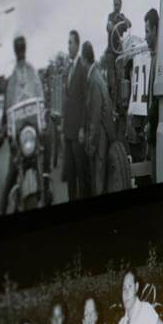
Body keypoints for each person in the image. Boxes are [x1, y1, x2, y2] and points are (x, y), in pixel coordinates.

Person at [0, 33, 47, 214]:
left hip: (33, 130)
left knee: (46, 150)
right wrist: (6, 126)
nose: (21, 51)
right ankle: (2, 210)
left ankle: (48, 186)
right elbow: (8, 103)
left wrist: (44, 113)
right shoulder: (12, 78)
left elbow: (40, 94)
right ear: (15, 51)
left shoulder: (32, 72)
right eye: (18, 49)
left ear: (25, 49)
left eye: (22, 48)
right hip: (20, 133)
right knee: (12, 172)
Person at [83, 42, 114, 195]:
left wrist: (91, 144)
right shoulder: (96, 76)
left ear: (84, 59)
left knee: (98, 180)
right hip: (102, 131)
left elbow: (95, 116)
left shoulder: (94, 80)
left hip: (100, 133)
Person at [63, 30, 89, 201]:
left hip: (78, 133)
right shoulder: (69, 68)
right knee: (71, 174)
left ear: (77, 45)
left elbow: (86, 101)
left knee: (81, 173)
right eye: (68, 43)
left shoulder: (82, 69)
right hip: (67, 132)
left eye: (70, 43)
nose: (68, 46)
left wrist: (82, 128)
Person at [143, 8, 160, 184]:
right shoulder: (155, 57)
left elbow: (156, 99)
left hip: (155, 130)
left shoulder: (159, 58)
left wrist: (149, 122)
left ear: (155, 30)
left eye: (147, 31)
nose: (146, 36)